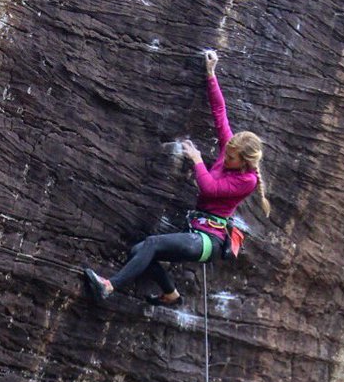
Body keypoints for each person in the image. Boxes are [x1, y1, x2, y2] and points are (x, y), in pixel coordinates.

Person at [82, 50, 270, 307]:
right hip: (199, 230)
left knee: (151, 244)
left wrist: (197, 160)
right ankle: (171, 294)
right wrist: (211, 74)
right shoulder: (231, 150)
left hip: (208, 241)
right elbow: (220, 112)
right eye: (226, 153)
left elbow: (210, 188)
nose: (225, 158)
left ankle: (109, 286)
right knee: (140, 251)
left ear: (245, 162)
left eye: (231, 159)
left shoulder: (246, 180)